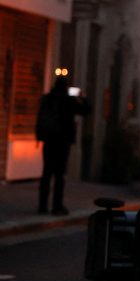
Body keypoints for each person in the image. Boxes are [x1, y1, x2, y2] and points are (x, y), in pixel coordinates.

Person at [36, 76, 90, 215]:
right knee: (59, 175)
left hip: (49, 141)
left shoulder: (47, 99)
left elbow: (40, 117)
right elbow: (86, 110)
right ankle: (57, 206)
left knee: (47, 173)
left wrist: (40, 136)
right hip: (62, 142)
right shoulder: (68, 100)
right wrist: (82, 97)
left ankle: (42, 206)